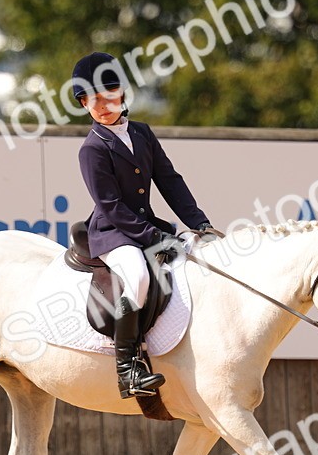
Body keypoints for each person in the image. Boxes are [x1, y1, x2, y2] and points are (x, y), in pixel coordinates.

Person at [72, 51, 223, 399]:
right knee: (138, 276)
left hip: (145, 226)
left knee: (193, 257)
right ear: (84, 104)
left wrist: (199, 222)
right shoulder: (92, 149)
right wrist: (153, 236)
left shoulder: (142, 133)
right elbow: (110, 206)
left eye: (109, 95)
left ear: (122, 94)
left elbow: (169, 180)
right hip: (112, 233)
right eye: (92, 100)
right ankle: (128, 368)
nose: (103, 105)